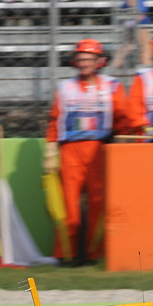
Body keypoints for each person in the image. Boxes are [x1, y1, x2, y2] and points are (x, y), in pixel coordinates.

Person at [44, 38, 130, 263]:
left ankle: (94, 253)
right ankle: (67, 254)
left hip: (101, 150)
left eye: (89, 59)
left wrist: (121, 148)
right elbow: (54, 121)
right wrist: (50, 150)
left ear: (99, 61)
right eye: (81, 59)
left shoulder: (113, 87)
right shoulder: (64, 88)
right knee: (67, 203)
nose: (84, 64)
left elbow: (123, 120)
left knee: (98, 203)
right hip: (70, 151)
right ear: (74, 61)